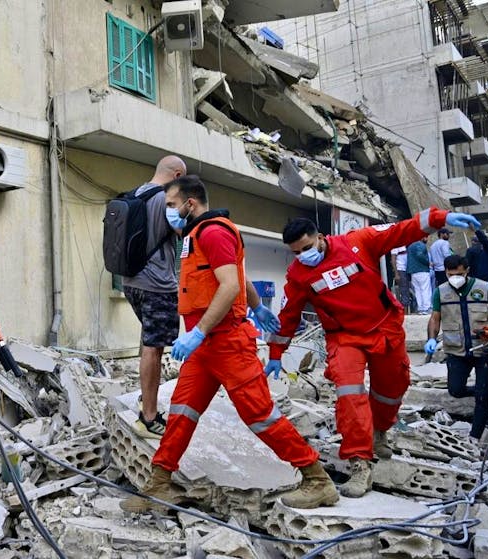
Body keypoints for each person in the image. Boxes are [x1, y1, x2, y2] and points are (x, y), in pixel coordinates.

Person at [120, 176, 337, 513]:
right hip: (205, 348)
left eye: (172, 206)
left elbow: (228, 285)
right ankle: (159, 484)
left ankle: (317, 478)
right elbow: (238, 275)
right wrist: (257, 305)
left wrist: (198, 332)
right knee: (180, 413)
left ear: (190, 204)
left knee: (260, 415)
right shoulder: (196, 235)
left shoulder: (214, 232)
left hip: (225, 343)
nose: (169, 213)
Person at [265, 207, 481, 498]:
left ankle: (380, 430)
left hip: (383, 327)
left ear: (319, 237)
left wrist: (440, 218)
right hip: (344, 337)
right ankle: (360, 464)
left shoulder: (358, 242)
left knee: (393, 387)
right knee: (349, 394)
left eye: (306, 247)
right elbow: (288, 314)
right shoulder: (298, 274)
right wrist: (277, 352)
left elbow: (401, 230)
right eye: (296, 252)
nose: (304, 255)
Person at [120, 155, 185, 439]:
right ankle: (148, 417)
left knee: (149, 342)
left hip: (130, 282)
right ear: (177, 174)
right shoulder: (166, 199)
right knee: (153, 348)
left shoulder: (136, 193)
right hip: (157, 284)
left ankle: (144, 398)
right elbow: (185, 231)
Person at [425, 255, 488, 441]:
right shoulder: (440, 292)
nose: (455, 278)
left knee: (482, 400)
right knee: (455, 390)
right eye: (451, 274)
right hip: (456, 351)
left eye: (459, 274)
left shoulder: (485, 289)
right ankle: (482, 391)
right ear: (446, 272)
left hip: (484, 349)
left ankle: (474, 437)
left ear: (467, 271)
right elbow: (435, 317)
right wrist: (431, 339)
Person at [407, 239, 432, 314]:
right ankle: (427, 307)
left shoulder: (410, 246)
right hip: (422, 270)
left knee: (418, 291)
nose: (426, 238)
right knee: (425, 289)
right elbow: (420, 254)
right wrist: (428, 262)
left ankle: (421, 308)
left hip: (413, 272)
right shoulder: (421, 245)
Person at [391, 246, 410, 313]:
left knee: (407, 291)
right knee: (404, 291)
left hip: (407, 270)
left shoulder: (405, 245)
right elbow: (393, 260)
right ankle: (405, 314)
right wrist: (396, 274)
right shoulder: (395, 246)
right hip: (400, 270)